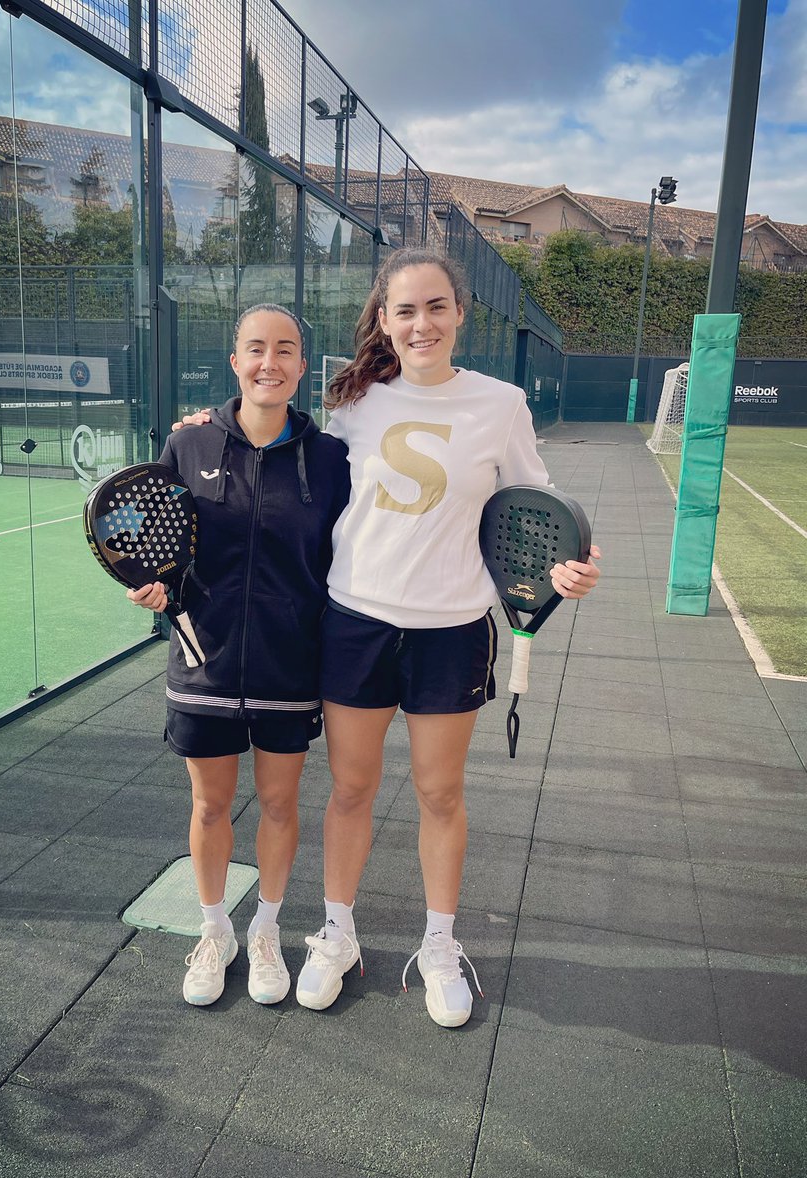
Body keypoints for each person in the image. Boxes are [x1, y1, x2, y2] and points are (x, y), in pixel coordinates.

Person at [290, 248, 601, 1027]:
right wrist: (208, 422)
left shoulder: (500, 404)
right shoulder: (353, 401)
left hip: (452, 631)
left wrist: (569, 567)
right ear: (384, 321)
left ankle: (437, 945)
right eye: (405, 310)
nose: (421, 323)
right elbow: (279, 453)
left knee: (439, 794)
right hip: (354, 622)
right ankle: (337, 934)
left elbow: (540, 506)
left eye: (436, 306)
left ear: (460, 313)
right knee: (352, 790)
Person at [128, 304, 349, 1009]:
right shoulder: (188, 444)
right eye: (256, 349)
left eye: (285, 350)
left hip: (290, 665)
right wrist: (154, 587)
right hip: (205, 659)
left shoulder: (331, 460)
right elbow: (151, 544)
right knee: (210, 803)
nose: (269, 363)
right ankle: (216, 930)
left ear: (302, 368)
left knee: (280, 804)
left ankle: (266, 931)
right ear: (234, 361)